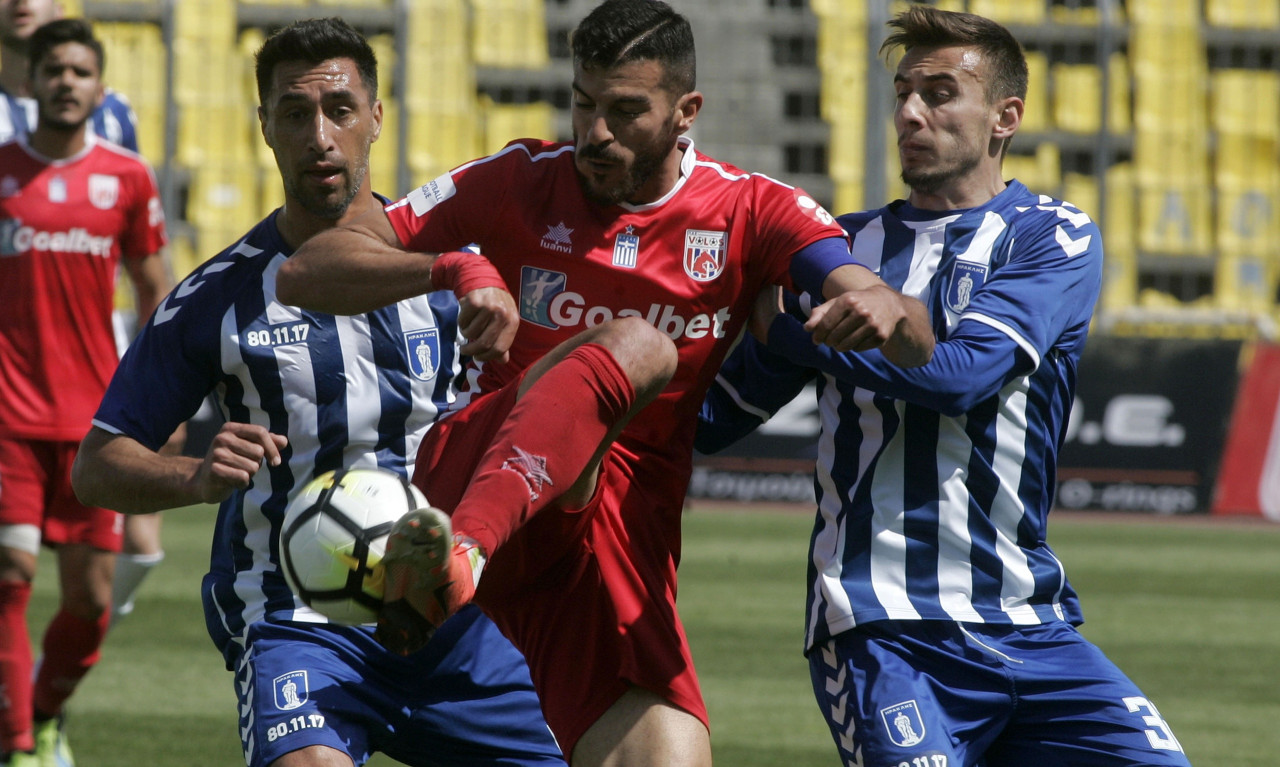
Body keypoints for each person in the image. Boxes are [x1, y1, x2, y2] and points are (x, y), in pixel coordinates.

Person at [275, 1, 934, 764]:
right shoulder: (519, 178)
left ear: (686, 112)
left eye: (624, 112)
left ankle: (456, 568)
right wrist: (453, 267)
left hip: (614, 541)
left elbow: (908, 331)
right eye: (584, 103)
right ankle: (458, 557)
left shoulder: (751, 210)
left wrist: (887, 307)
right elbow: (305, 271)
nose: (595, 132)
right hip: (477, 475)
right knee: (638, 344)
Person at [694, 7, 1193, 767]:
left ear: (1005, 117)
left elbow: (963, 377)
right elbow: (716, 417)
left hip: (1030, 625)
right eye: (902, 93)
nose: (910, 113)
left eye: (938, 93)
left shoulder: (1050, 235)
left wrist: (787, 332)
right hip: (882, 628)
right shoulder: (838, 250)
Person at [71, 17, 566, 767]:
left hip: (458, 613)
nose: (320, 137)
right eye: (295, 114)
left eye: (339, 109)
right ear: (264, 126)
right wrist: (195, 476)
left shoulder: (462, 272)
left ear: (376, 117)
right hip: (293, 617)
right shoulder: (216, 298)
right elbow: (97, 466)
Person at [0, 18, 170, 767]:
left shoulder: (127, 177)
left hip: (93, 421)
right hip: (8, 417)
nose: (66, 82)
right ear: (31, 82)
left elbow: (154, 289)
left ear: (99, 87)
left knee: (92, 600)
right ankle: (15, 746)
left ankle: (42, 714)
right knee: (10, 579)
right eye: (54, 70)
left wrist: (160, 399)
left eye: (79, 71)